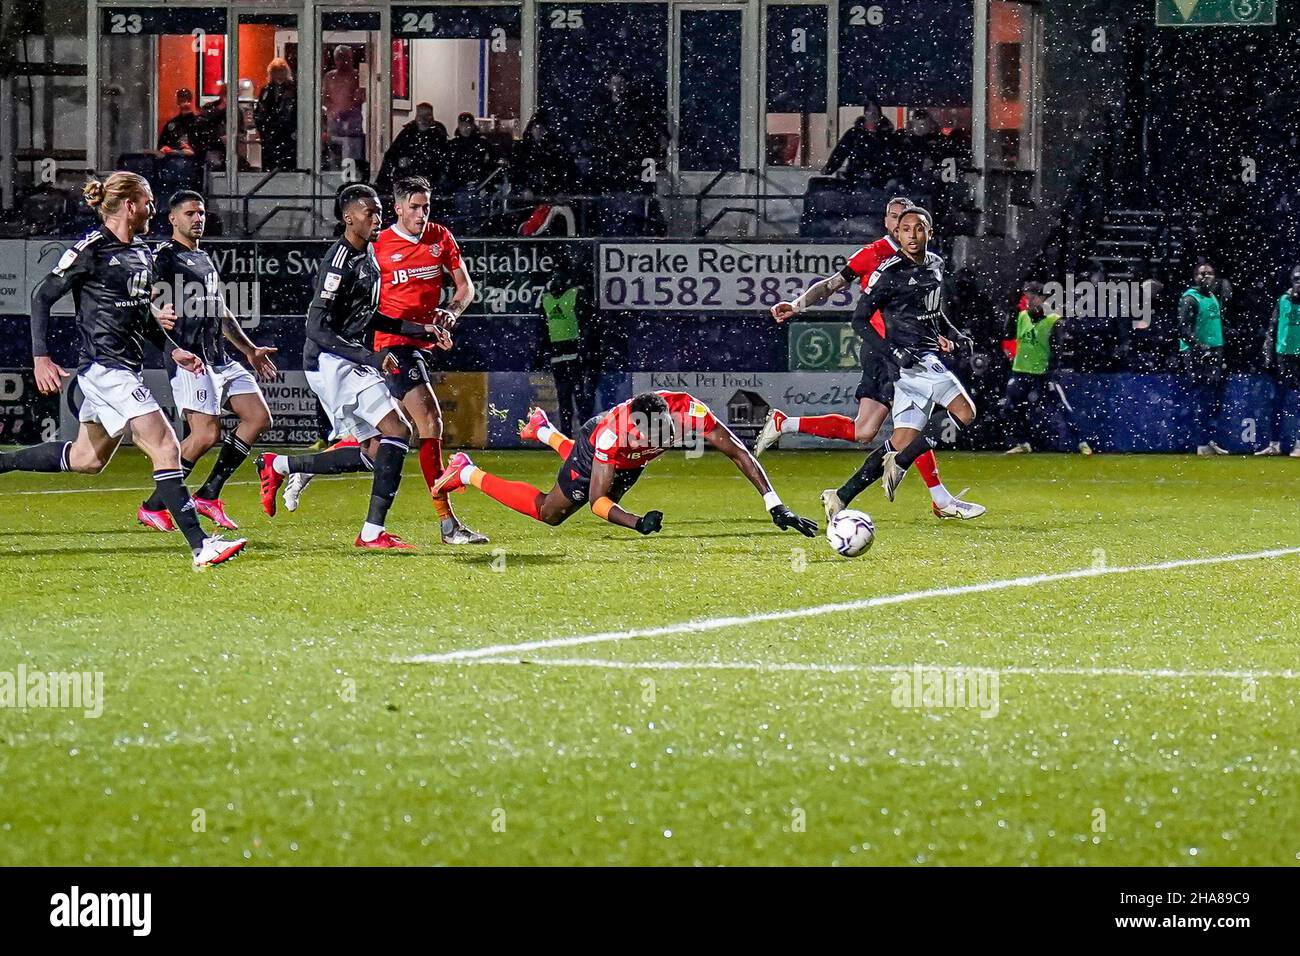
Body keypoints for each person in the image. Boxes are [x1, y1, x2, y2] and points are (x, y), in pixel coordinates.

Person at [0, 172, 245, 569]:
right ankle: (202, 546)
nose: (152, 209)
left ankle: (2, 462)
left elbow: (141, 317)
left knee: (87, 460)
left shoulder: (143, 253)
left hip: (122, 368)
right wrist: (40, 357)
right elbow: (42, 296)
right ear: (131, 206)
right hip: (105, 368)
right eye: (148, 202)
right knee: (166, 445)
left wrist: (174, 349)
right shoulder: (92, 249)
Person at [757, 195, 982, 520]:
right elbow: (833, 285)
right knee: (910, 430)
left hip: (913, 349)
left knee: (877, 432)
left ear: (927, 230)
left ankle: (840, 487)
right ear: (889, 223)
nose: (904, 228)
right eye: (896, 220)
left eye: (914, 224)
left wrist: (943, 334)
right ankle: (936, 494)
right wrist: (797, 305)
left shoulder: (930, 262)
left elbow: (931, 308)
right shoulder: (876, 256)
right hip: (886, 353)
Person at [255, 184, 415, 550]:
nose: (378, 218)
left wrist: (419, 329)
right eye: (369, 212)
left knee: (377, 453)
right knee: (399, 429)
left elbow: (368, 317)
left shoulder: (368, 255)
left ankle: (279, 465)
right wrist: (370, 357)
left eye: (379, 211)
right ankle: (372, 533)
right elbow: (316, 328)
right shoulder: (338, 262)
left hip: (346, 358)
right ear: (348, 217)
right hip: (330, 361)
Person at [435, 391, 817, 539]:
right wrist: (637, 523)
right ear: (633, 430)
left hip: (627, 462)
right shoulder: (610, 438)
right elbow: (599, 502)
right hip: (592, 446)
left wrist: (774, 503)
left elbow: (738, 451)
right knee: (552, 512)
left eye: (662, 433)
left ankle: (543, 430)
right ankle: (466, 469)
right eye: (645, 437)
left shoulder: (688, 413)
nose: (657, 440)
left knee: (596, 485)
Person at [135, 190, 279, 532]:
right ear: (172, 218)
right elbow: (139, 297)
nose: (197, 218)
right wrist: (156, 310)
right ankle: (154, 505)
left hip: (220, 358)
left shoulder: (203, 257)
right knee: (204, 436)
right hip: (190, 358)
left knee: (257, 418)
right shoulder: (165, 257)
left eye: (200, 213)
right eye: (189, 213)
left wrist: (249, 350)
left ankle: (209, 494)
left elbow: (220, 310)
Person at [828, 205, 980, 507]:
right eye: (906, 229)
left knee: (901, 441)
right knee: (966, 412)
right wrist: (893, 352)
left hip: (925, 359)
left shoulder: (936, 264)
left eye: (919, 228)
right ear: (896, 233)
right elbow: (859, 321)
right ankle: (900, 464)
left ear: (930, 233)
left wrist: (955, 336)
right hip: (913, 363)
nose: (912, 234)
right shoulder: (888, 273)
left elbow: (934, 313)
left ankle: (840, 496)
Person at [999, 281, 1091, 455]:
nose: (1028, 300)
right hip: (1021, 369)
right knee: (1010, 407)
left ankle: (1081, 442)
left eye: (1032, 296)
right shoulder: (1021, 316)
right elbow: (1009, 335)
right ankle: (1023, 442)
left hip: (1042, 372)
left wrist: (1052, 369)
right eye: (1027, 296)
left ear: (1042, 298)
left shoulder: (1053, 320)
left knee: (1061, 406)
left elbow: (1058, 348)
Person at [1179, 261, 1230, 455]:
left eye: (1209, 273)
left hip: (1214, 350)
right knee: (1201, 397)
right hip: (1197, 353)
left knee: (1212, 398)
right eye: (1201, 274)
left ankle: (1209, 439)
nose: (1205, 277)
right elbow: (1184, 329)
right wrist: (1201, 348)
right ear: (1195, 277)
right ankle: (1201, 443)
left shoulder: (1213, 297)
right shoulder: (1190, 299)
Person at [538, 266, 597, 434]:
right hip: (567, 354)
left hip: (567, 354)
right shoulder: (565, 297)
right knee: (572, 398)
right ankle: (575, 434)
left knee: (570, 398)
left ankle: (575, 434)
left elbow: (542, 329)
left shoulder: (553, 299)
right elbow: (585, 322)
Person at [1256, 265, 1300, 457]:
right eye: (1296, 279)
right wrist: (1268, 354)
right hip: (1284, 357)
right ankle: (1274, 444)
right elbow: (1272, 328)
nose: (1299, 283)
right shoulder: (1283, 300)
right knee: (1277, 402)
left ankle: (1298, 444)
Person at [376, 102, 448, 196]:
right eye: (421, 115)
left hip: (431, 180)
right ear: (416, 116)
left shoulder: (438, 134)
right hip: (407, 177)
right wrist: (399, 162)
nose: (424, 119)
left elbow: (443, 160)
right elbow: (391, 155)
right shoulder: (408, 133)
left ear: (432, 116)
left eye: (427, 115)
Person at [510, 111, 579, 198]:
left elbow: (564, 170)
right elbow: (515, 172)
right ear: (531, 129)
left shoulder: (553, 148)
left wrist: (561, 190)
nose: (539, 131)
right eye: (536, 127)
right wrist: (522, 189)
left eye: (542, 128)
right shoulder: (522, 148)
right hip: (527, 197)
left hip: (549, 195)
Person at [323, 45, 365, 168]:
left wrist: (345, 110)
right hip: (334, 127)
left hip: (352, 128)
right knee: (334, 162)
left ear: (351, 58)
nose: (342, 61)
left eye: (345, 58)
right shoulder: (329, 77)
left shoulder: (358, 76)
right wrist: (333, 111)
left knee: (352, 162)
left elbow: (360, 97)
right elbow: (324, 98)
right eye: (339, 58)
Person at [254, 58, 297, 171]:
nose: (278, 75)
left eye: (280, 72)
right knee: (271, 164)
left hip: (286, 134)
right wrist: (262, 130)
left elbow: (295, 111)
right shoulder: (267, 90)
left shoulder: (293, 89)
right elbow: (260, 111)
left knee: (285, 165)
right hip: (271, 136)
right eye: (276, 72)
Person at [444, 112, 495, 192]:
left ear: (472, 126)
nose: (465, 128)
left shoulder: (482, 144)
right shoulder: (453, 145)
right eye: (462, 125)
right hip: (460, 185)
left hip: (478, 184)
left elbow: (489, 163)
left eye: (468, 125)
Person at [158, 89, 202, 156]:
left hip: (193, 161)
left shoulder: (199, 123)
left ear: (191, 102)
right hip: (173, 159)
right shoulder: (172, 124)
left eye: (187, 100)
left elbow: (204, 146)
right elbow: (161, 143)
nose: (185, 104)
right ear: (178, 102)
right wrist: (164, 148)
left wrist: (192, 149)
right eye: (182, 101)